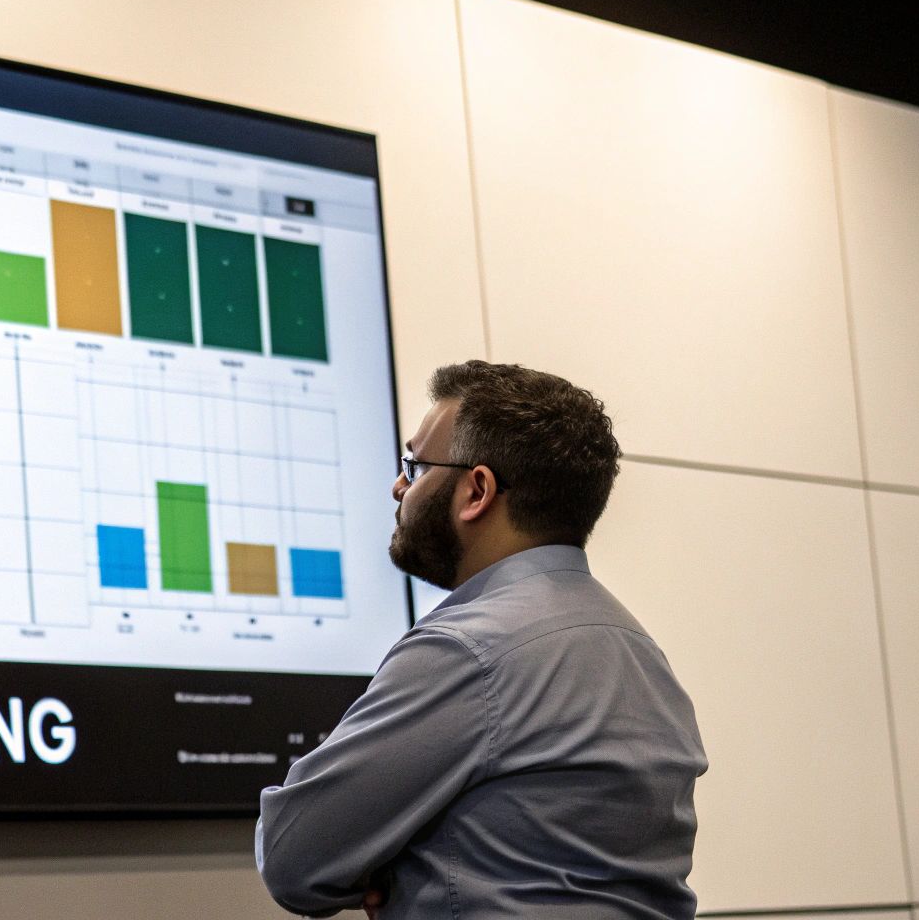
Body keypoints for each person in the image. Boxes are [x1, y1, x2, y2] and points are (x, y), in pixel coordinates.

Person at [256, 361, 708, 918]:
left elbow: (292, 856)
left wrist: (392, 865)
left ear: (477, 491)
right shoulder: (640, 653)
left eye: (414, 466)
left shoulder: (468, 650)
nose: (399, 486)